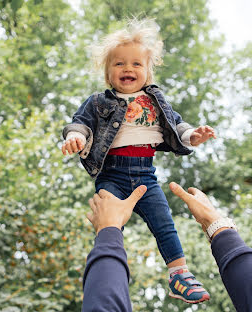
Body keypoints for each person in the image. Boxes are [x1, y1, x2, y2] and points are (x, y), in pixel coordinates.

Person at [61, 18, 215, 303]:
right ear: (108, 72)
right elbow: (79, 124)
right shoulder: (98, 102)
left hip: (145, 176)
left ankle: (179, 275)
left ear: (147, 71)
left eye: (136, 64)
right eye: (119, 64)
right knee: (110, 225)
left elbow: (178, 126)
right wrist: (77, 138)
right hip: (111, 175)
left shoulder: (156, 101)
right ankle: (109, 277)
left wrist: (194, 135)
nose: (128, 69)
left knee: (164, 223)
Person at [82, 182, 252, 311]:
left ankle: (178, 274)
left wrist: (108, 231)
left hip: (134, 173)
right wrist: (216, 224)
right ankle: (180, 274)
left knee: (164, 223)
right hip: (120, 173)